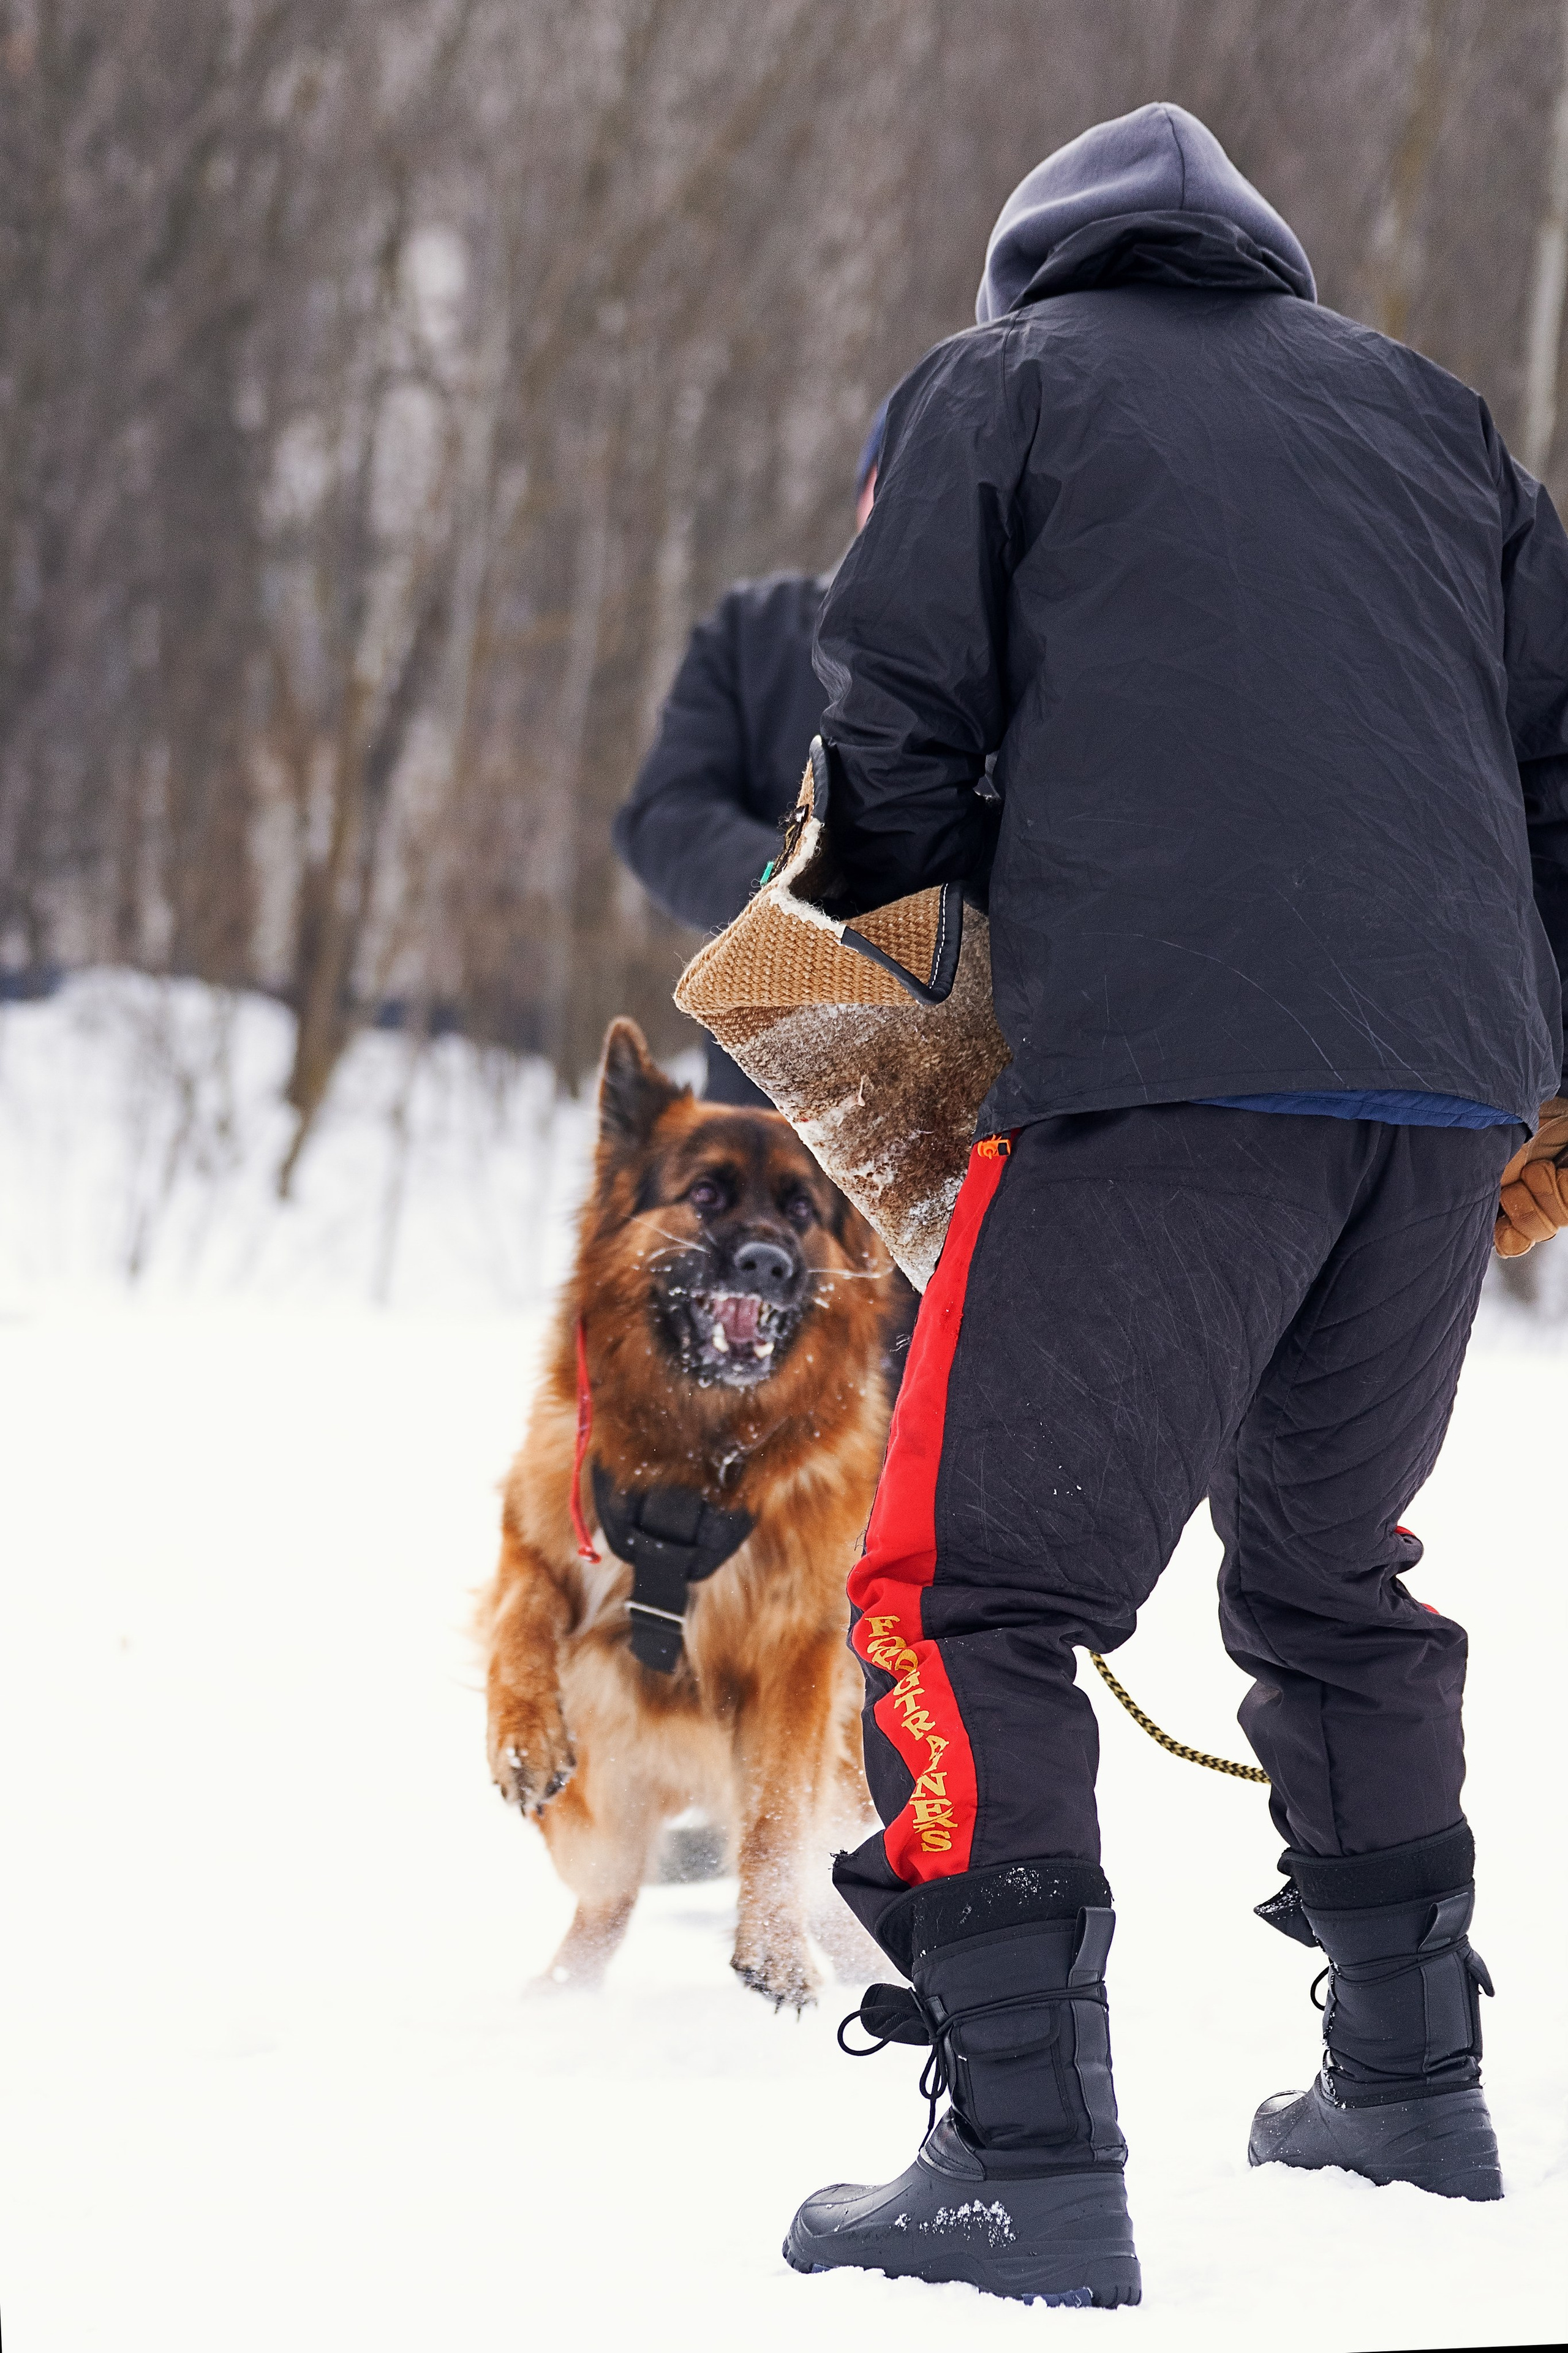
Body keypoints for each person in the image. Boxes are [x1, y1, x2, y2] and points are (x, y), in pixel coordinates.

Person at [783, 103, 1568, 2307]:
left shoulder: (1000, 383)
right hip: (1434, 1088)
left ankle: (1015, 2159)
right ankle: (1404, 2087)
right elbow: (1555, 760)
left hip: (1160, 1069)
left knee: (961, 1596)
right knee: (1329, 1570)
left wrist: (886, 964)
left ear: (1031, 266)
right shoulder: (1433, 420)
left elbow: (891, 723)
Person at [612, 409, 886, 1106]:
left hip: (964, 1134)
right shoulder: (755, 632)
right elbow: (662, 818)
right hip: (764, 1114)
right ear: (864, 490)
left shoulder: (1027, 657)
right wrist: (798, 885)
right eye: (901, 474)